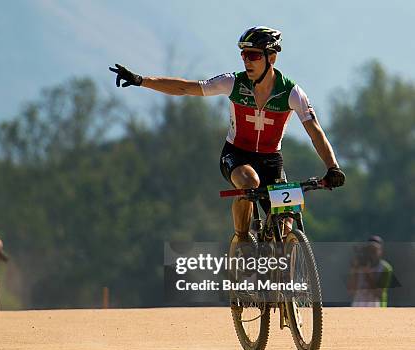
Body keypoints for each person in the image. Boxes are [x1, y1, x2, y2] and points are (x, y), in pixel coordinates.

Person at [110, 26, 345, 246]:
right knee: (249, 182)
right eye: (244, 55)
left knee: (285, 222)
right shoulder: (233, 82)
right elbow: (185, 88)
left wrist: (332, 167)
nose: (246, 61)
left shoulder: (292, 92)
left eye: (253, 56)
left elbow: (316, 133)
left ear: (271, 58)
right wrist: (141, 81)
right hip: (236, 155)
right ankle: (242, 242)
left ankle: (282, 275)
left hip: (271, 161)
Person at [348, 235, 394, 307]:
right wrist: (354, 270)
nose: (372, 253)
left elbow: (378, 293)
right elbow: (351, 291)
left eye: (374, 250)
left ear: (380, 251)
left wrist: (367, 273)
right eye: (369, 249)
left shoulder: (385, 268)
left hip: (376, 306)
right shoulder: (359, 264)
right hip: (358, 304)